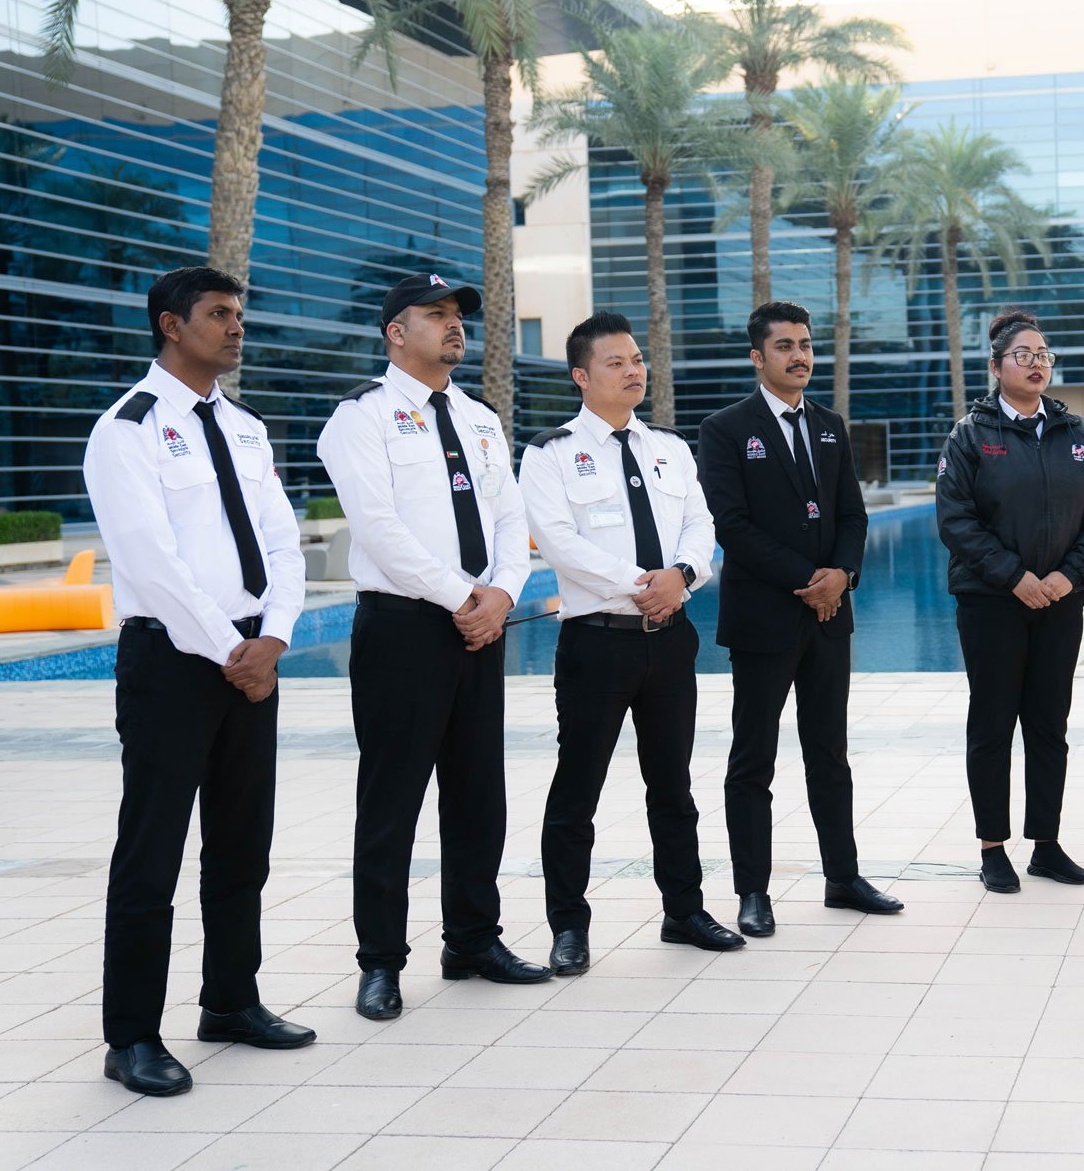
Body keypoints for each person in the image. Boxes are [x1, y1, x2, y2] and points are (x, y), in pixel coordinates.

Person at [83, 266, 314, 1096]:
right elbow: (153, 560)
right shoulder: (129, 430)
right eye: (218, 314)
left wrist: (277, 635)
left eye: (239, 314)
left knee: (241, 845)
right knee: (151, 852)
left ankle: (230, 1001)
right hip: (175, 664)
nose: (236, 327)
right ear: (170, 326)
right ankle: (133, 1037)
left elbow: (282, 544)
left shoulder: (249, 430)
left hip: (254, 660)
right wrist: (231, 649)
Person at [316, 271, 550, 1021]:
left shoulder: (480, 418)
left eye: (458, 317)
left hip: (481, 625)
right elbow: (379, 528)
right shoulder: (362, 418)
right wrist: (463, 598)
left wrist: (503, 593)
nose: (454, 327)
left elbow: (512, 521)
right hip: (406, 628)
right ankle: (380, 962)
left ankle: (473, 940)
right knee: (392, 801)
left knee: (479, 793)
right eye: (437, 315)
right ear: (396, 331)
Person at [521, 312, 743, 961]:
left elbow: (702, 529)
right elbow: (559, 541)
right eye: (616, 362)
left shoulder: (669, 449)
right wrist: (643, 582)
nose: (633, 370)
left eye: (638, 359)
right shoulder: (551, 452)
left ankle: (686, 911)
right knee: (577, 787)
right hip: (597, 640)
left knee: (672, 784)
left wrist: (681, 576)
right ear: (582, 377)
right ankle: (569, 927)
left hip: (669, 639)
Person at [696, 300, 903, 937]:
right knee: (753, 760)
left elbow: (853, 516)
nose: (800, 355)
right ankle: (752, 893)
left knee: (829, 755)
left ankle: (842, 877)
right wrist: (805, 581)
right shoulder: (726, 428)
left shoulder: (832, 426)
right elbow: (731, 526)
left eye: (806, 344)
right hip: (765, 619)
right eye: (785, 346)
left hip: (829, 617)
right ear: (759, 357)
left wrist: (840, 576)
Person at [935, 309, 1084, 892]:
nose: (1037, 363)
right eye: (1025, 355)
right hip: (992, 602)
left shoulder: (1079, 434)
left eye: (1044, 354)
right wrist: (1013, 576)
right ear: (996, 367)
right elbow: (955, 520)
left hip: (1060, 602)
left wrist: (1069, 576)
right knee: (992, 723)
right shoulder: (971, 436)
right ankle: (993, 846)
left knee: (1048, 725)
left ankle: (1046, 844)